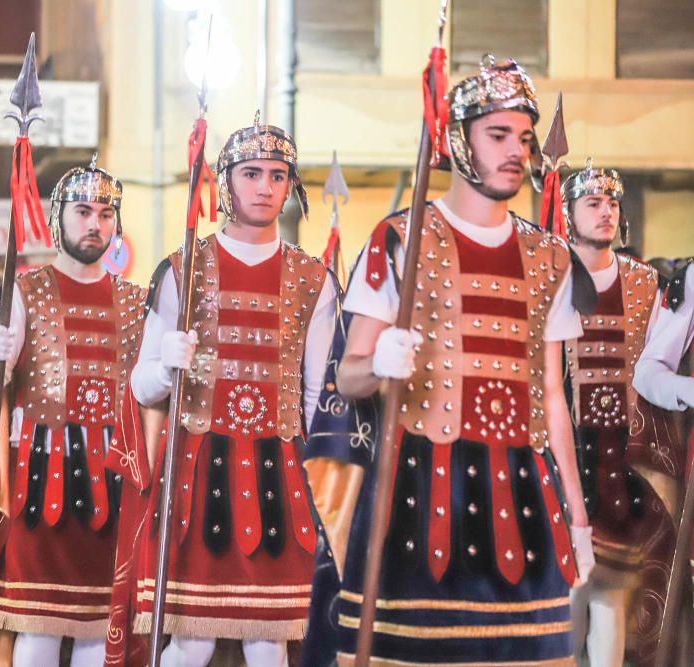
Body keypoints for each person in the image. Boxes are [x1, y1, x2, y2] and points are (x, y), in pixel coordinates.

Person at [303, 57, 595, 666]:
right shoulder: (398, 239)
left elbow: (551, 399)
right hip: (418, 489)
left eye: (522, 137)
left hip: (526, 499)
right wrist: (379, 362)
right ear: (458, 140)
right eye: (497, 135)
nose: (515, 151)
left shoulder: (551, 257)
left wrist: (577, 514)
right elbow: (348, 376)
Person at [120, 113, 337, 667]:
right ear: (224, 182)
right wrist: (166, 364)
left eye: (277, 175)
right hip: (197, 468)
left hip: (282, 473)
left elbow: (318, 398)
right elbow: (142, 388)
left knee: (269, 640)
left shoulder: (315, 280)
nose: (265, 186)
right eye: (251, 173)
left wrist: (322, 489)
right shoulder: (181, 269)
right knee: (190, 641)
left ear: (291, 186)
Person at [0, 159, 146, 666]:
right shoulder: (22, 293)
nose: (95, 224)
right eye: (84, 211)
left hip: (112, 486)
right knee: (35, 630)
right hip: (39, 485)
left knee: (97, 632)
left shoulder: (138, 302)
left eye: (106, 214)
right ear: (59, 216)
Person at [562, 162, 678, 667]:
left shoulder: (648, 283)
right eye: (593, 203)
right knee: (563, 605)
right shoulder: (551, 277)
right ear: (569, 215)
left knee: (613, 607)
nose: (606, 211)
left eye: (612, 203)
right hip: (564, 455)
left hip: (623, 463)